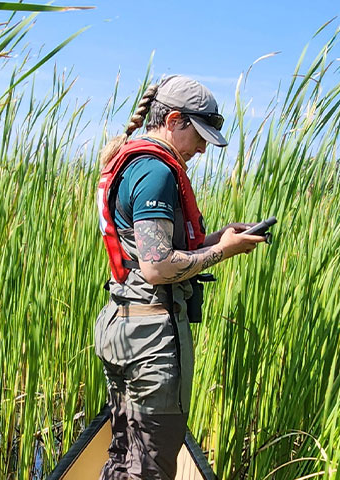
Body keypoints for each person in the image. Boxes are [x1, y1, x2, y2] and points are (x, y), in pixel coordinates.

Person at [92, 74, 265, 479]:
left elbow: (142, 252)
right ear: (173, 121)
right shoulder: (157, 172)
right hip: (152, 340)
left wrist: (218, 237)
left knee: (123, 453)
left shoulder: (131, 161)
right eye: (199, 135)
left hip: (121, 324)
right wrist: (222, 251)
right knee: (151, 465)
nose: (204, 147)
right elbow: (156, 265)